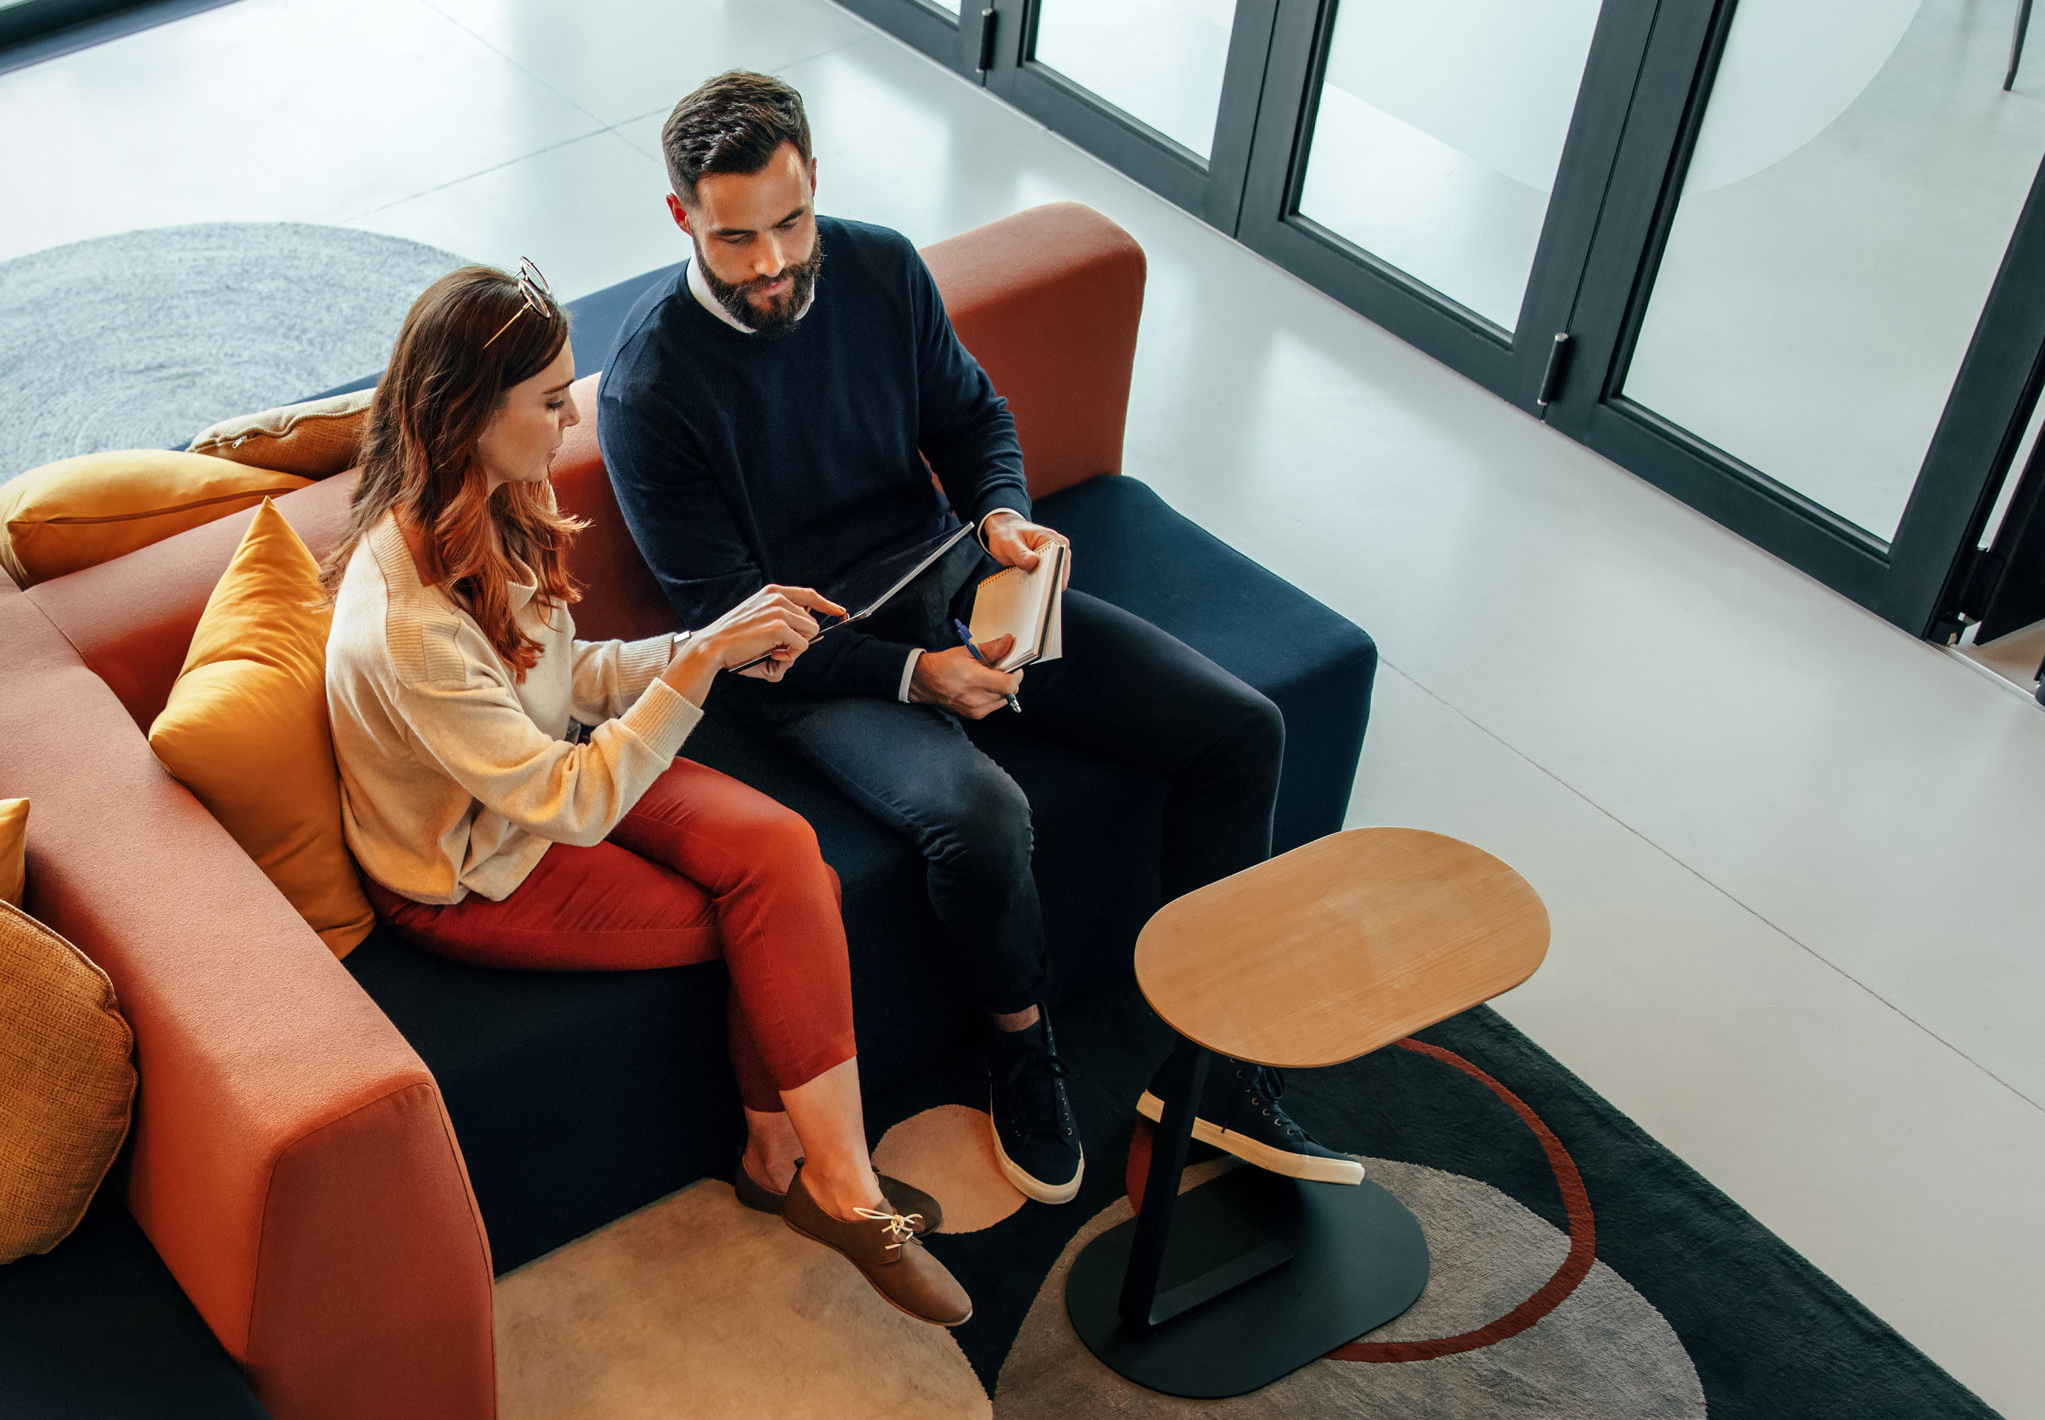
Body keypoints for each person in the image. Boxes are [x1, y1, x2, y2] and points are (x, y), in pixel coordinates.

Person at [599, 72, 1358, 1208]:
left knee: (1239, 730)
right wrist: (917, 677)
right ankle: (1020, 1048)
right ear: (681, 220)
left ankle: (1216, 1064)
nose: (770, 264)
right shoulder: (651, 387)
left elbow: (969, 414)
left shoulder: (881, 267)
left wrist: (999, 509)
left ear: (816, 186)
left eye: (790, 223)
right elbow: (735, 624)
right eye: (737, 237)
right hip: (806, 664)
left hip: (949, 580)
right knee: (981, 817)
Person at [324, 261, 973, 1326]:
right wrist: (696, 670)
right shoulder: (409, 627)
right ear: (469, 413)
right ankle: (843, 1192)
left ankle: (785, 1162)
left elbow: (565, 678)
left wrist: (706, 642)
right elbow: (571, 803)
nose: (571, 417)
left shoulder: (492, 501)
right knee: (764, 912)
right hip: (470, 871)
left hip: (550, 769)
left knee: (785, 856)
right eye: (547, 400)